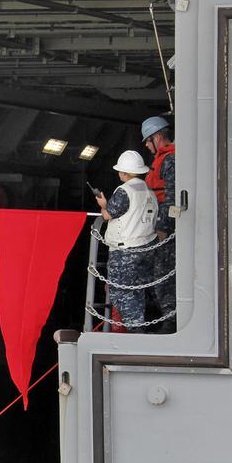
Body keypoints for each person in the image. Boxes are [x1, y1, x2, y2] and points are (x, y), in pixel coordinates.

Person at [94, 150, 158, 332]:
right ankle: (144, 326)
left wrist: (102, 204)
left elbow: (108, 214)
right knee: (139, 289)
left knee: (121, 291)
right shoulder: (148, 191)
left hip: (125, 250)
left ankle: (136, 330)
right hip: (147, 247)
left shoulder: (124, 191)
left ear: (123, 173)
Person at [141, 115, 176, 331]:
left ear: (158, 136)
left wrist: (163, 227)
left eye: (147, 140)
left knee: (163, 274)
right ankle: (168, 316)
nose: (146, 145)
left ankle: (171, 319)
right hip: (159, 226)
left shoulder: (170, 160)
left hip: (168, 230)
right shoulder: (162, 159)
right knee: (158, 274)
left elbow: (171, 196)